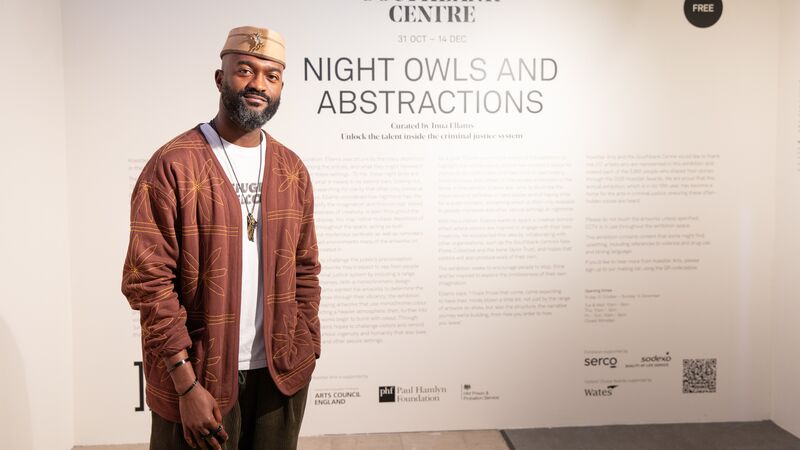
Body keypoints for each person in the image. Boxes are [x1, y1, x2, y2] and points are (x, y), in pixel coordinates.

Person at [122, 25, 321, 450]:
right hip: (201, 377)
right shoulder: (174, 165)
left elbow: (306, 267)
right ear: (220, 78)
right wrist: (185, 384)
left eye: (271, 76)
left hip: (280, 376)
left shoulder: (291, 169)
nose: (258, 85)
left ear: (282, 86)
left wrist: (308, 340)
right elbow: (148, 282)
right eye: (244, 70)